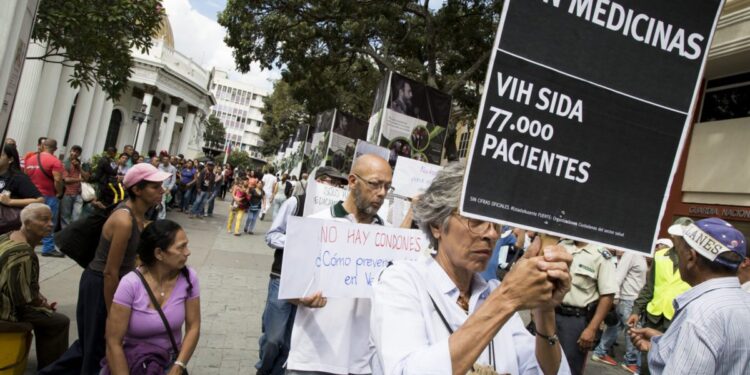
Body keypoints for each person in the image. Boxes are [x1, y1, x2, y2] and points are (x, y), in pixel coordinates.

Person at [371, 162, 572, 375]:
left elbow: (545, 371)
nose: (492, 234)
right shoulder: (401, 282)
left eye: (496, 223)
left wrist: (544, 309)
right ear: (437, 225)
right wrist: (506, 298)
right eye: (476, 220)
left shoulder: (492, 292)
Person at [41, 163, 170, 375]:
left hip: (113, 284)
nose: (161, 190)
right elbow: (111, 271)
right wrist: (114, 312)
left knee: (89, 346)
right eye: (155, 187)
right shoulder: (124, 220)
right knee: (97, 349)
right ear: (137, 190)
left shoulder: (140, 218)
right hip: (101, 284)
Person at [285, 155, 393, 375]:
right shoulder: (315, 224)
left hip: (364, 364)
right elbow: (290, 289)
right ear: (352, 181)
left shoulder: (391, 237)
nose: (382, 193)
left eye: (387, 187)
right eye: (374, 184)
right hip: (312, 360)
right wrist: (302, 298)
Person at [629, 217, 750, 374]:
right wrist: (662, 344)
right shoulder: (744, 301)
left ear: (691, 257)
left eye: (680, 252)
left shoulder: (699, 315)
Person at [257, 166, 347, 375]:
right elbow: (271, 236)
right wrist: (299, 240)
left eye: (337, 184)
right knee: (273, 338)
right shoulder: (295, 203)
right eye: (329, 181)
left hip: (311, 283)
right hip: (282, 278)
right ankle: (264, 369)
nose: (333, 187)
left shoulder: (339, 215)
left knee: (292, 341)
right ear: (317, 182)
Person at [102, 220, 200, 374]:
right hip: (133, 363)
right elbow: (114, 342)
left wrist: (179, 365)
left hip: (170, 362)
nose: (187, 252)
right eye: (181, 247)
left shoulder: (188, 278)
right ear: (159, 253)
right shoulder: (130, 284)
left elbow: (193, 326)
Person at [0, 203, 70, 370]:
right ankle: (52, 369)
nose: (50, 224)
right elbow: (23, 298)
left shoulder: (8, 236)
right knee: (59, 321)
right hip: (5, 310)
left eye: (51, 219)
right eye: (44, 220)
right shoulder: (23, 252)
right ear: (28, 223)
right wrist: (42, 305)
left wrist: (38, 298)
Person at [627, 228, 692, 375]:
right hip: (654, 316)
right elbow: (649, 287)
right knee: (646, 359)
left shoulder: (694, 260)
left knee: (670, 362)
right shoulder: (660, 255)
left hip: (676, 319)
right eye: (679, 237)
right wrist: (636, 310)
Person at [554, 239, 617, 375]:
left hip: (575, 320)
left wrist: (592, 328)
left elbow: (607, 296)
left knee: (569, 367)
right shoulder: (561, 246)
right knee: (539, 361)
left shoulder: (600, 254)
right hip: (551, 313)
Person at [591, 250, 647, 373]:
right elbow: (618, 277)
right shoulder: (631, 254)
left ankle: (600, 352)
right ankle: (631, 362)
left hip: (632, 299)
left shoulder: (640, 255)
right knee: (632, 330)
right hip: (628, 299)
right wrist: (614, 299)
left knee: (616, 327)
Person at [23, 138, 64, 257]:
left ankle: (26, 244)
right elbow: (57, 180)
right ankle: (48, 248)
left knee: (30, 220)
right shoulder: (55, 161)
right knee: (49, 222)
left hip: (32, 196)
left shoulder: (30, 159)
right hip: (48, 195)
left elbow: (25, 177)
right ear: (55, 149)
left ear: (42, 146)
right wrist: (59, 192)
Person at [0, 143, 44, 231]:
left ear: (10, 159)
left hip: (5, 227)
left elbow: (39, 200)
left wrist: (10, 201)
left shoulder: (18, 177)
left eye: (1, 155)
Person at [60, 145, 84, 227]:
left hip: (78, 193)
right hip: (67, 193)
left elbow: (87, 177)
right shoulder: (65, 163)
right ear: (70, 151)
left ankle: (72, 233)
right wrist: (79, 180)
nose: (75, 153)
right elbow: (66, 180)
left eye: (77, 152)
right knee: (65, 216)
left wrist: (79, 167)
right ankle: (65, 235)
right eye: (73, 151)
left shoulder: (79, 163)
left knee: (76, 217)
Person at [158, 155, 177, 220]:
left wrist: (169, 189)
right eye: (164, 159)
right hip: (157, 186)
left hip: (165, 187)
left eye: (166, 159)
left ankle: (161, 217)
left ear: (169, 160)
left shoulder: (173, 168)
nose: (165, 161)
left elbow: (173, 179)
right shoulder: (159, 166)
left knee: (162, 202)